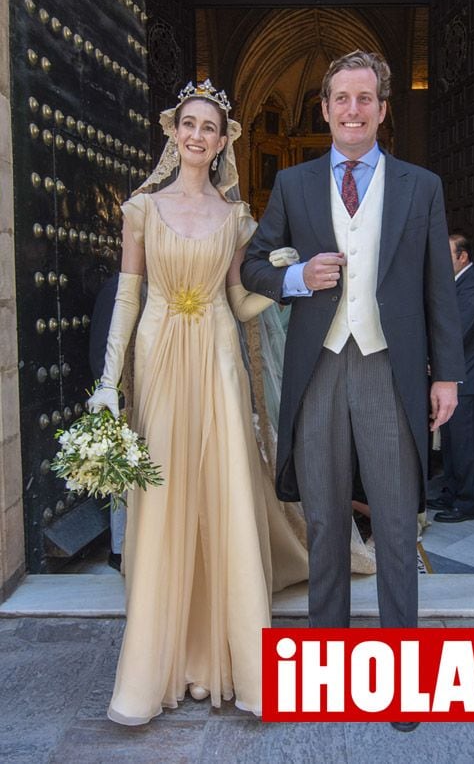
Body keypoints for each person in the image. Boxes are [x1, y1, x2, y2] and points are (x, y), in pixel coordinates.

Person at [241, 50, 465, 731]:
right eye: (341, 97)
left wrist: (447, 373)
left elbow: (437, 290)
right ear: (325, 107)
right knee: (324, 524)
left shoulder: (420, 186)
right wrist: (293, 278)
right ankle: (326, 675)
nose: (352, 109)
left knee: (396, 526)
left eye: (365, 98)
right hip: (318, 368)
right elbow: (253, 264)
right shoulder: (293, 183)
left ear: (382, 108)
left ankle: (400, 686)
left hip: (387, 367)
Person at [87, 79, 309, 723]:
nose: (196, 135)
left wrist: (282, 279)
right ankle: (159, 664)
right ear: (172, 130)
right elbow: (130, 296)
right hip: (158, 357)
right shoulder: (142, 210)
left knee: (223, 490)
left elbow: (239, 305)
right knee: (164, 495)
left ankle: (235, 664)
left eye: (209, 127)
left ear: (222, 142)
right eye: (188, 123)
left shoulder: (236, 218)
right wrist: (109, 380)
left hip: (216, 359)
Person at [428, 233, 474, 522]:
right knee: (453, 442)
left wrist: (433, 362)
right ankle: (451, 492)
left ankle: (467, 503)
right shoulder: (457, 284)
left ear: (462, 257)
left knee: (466, 443)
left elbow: (458, 334)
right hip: (454, 377)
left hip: (467, 377)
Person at [88, 272, 126, 571]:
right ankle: (121, 550)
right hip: (127, 398)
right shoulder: (118, 287)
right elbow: (102, 348)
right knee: (126, 478)